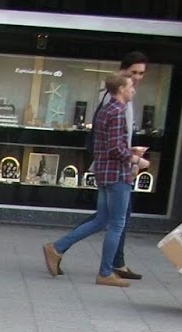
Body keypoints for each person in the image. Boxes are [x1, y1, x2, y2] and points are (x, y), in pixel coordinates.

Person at [41, 72, 146, 288]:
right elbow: (116, 148)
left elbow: (107, 144)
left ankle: (57, 247)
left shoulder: (105, 110)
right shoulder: (118, 112)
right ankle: (105, 272)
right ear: (121, 89)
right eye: (130, 86)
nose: (133, 90)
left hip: (104, 172)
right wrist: (137, 159)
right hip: (117, 174)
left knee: (101, 219)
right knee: (117, 223)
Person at [107, 52, 149, 279]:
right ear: (123, 71)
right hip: (115, 168)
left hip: (118, 165)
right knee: (115, 217)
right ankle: (114, 264)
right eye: (134, 72)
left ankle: (116, 263)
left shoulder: (126, 98)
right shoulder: (115, 101)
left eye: (141, 73)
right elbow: (114, 142)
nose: (137, 78)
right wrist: (134, 160)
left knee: (108, 216)